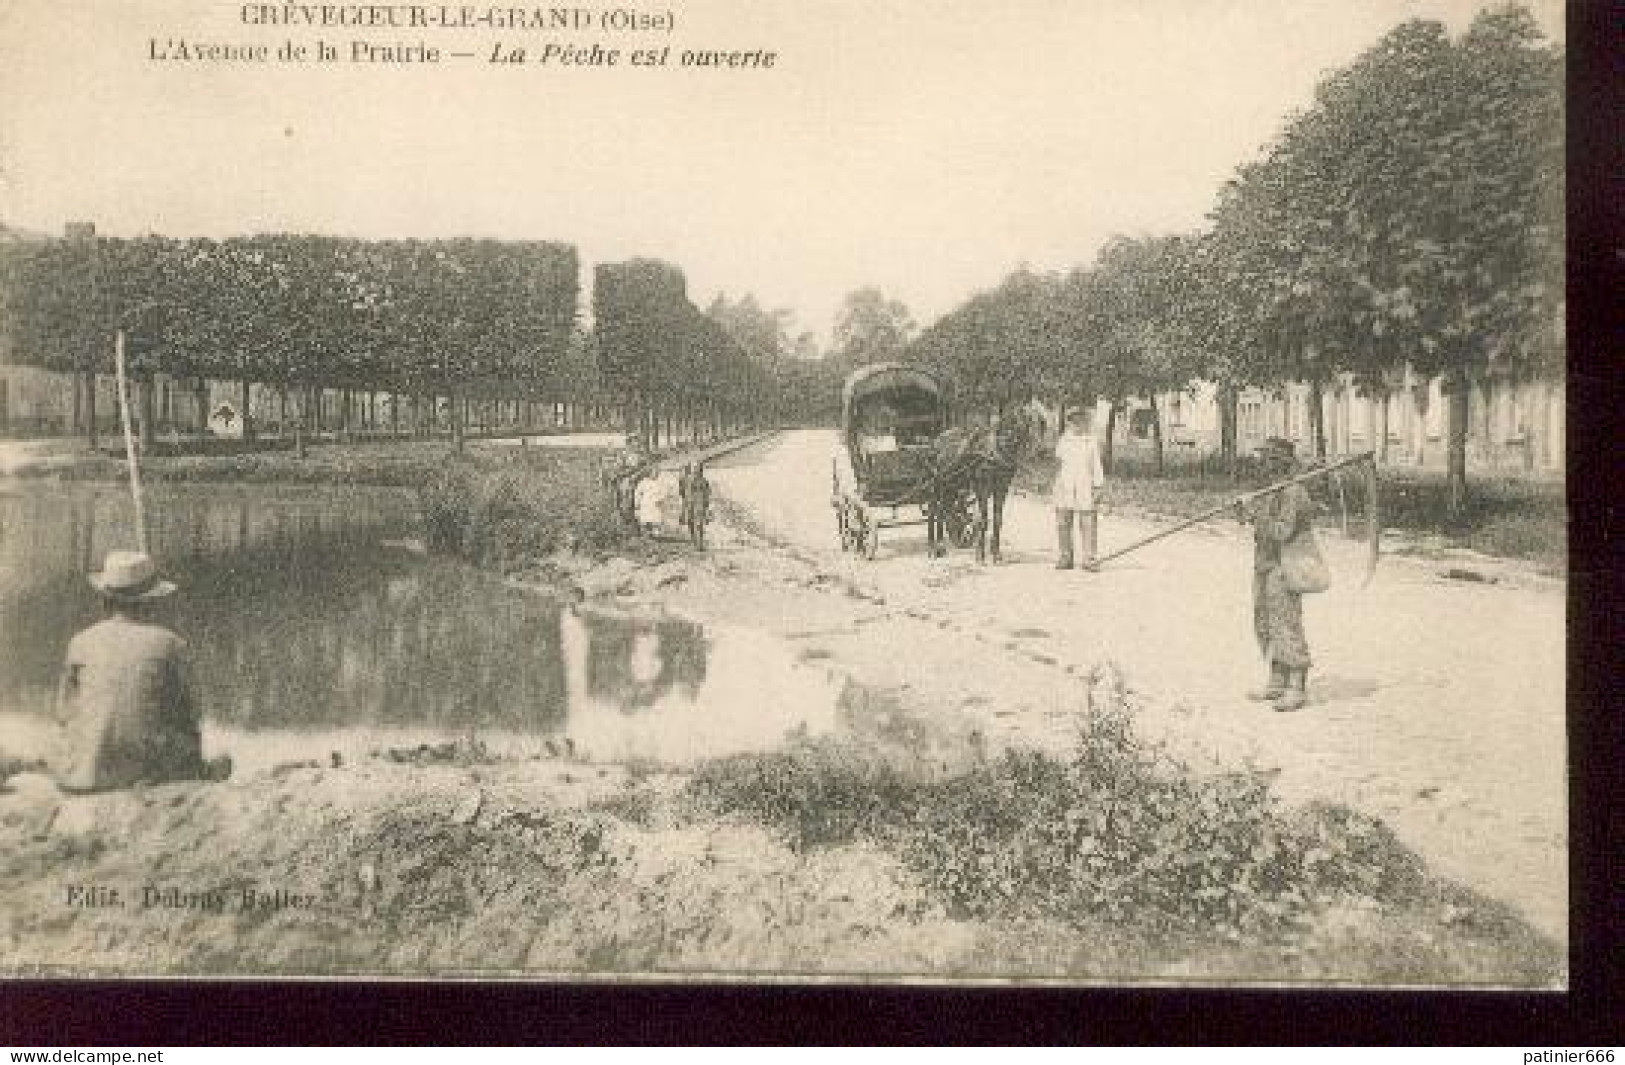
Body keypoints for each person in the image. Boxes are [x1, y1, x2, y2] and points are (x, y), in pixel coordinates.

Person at [54, 550, 230, 793]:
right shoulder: (170, 643)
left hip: (84, 774)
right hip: (144, 774)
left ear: (106, 599)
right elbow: (191, 714)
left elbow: (65, 713)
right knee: (221, 761)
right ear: (153, 600)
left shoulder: (80, 642)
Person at [1237, 438, 1316, 712]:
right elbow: (1260, 522)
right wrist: (1246, 511)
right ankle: (1277, 680)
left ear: (1279, 463)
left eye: (1267, 460)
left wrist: (1257, 514)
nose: (1262, 465)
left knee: (1286, 622)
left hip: (1284, 566)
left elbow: (1283, 531)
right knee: (1265, 621)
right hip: (1264, 563)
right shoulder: (1272, 490)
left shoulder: (1294, 493)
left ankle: (1297, 687)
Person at [1052, 404, 1106, 570]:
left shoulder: (1091, 441)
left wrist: (1098, 486)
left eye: (1081, 420)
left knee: (1088, 522)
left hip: (1085, 485)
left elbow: (1096, 465)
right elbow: (1059, 463)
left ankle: (1089, 559)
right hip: (1065, 485)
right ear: (1069, 422)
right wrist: (1056, 484)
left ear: (1086, 422)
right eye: (1074, 420)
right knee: (1063, 522)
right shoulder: (1063, 440)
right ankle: (1065, 557)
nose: (1077, 424)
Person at [680, 462, 712, 548]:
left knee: (699, 523)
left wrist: (706, 504)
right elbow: (682, 492)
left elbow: (707, 493)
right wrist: (686, 501)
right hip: (689, 504)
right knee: (690, 522)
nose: (696, 470)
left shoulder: (704, 481)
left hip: (699, 504)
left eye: (698, 468)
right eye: (694, 468)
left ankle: (699, 543)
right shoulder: (686, 480)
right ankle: (694, 540)